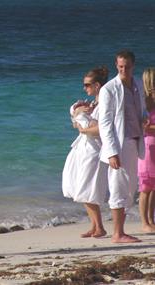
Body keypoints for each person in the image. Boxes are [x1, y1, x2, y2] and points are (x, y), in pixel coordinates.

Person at [99, 50, 145, 243]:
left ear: (133, 66)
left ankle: (121, 230)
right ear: (116, 66)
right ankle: (118, 233)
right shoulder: (109, 89)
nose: (124, 70)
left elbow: (140, 111)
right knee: (118, 186)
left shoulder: (138, 86)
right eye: (120, 67)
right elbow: (105, 122)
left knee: (131, 187)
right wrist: (111, 152)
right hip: (119, 142)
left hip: (135, 140)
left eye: (127, 66)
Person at [63, 66, 109, 238]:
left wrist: (83, 129)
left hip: (94, 149)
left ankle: (100, 226)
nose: (85, 88)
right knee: (79, 186)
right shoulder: (92, 104)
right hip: (83, 148)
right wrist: (78, 115)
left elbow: (102, 128)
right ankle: (96, 225)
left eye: (87, 85)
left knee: (86, 187)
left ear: (97, 85)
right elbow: (77, 124)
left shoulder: (104, 103)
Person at [138, 68, 155, 232]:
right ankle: (145, 222)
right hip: (148, 146)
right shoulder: (145, 101)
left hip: (151, 145)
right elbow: (144, 127)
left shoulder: (148, 100)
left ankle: (150, 220)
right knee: (146, 187)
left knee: (152, 187)